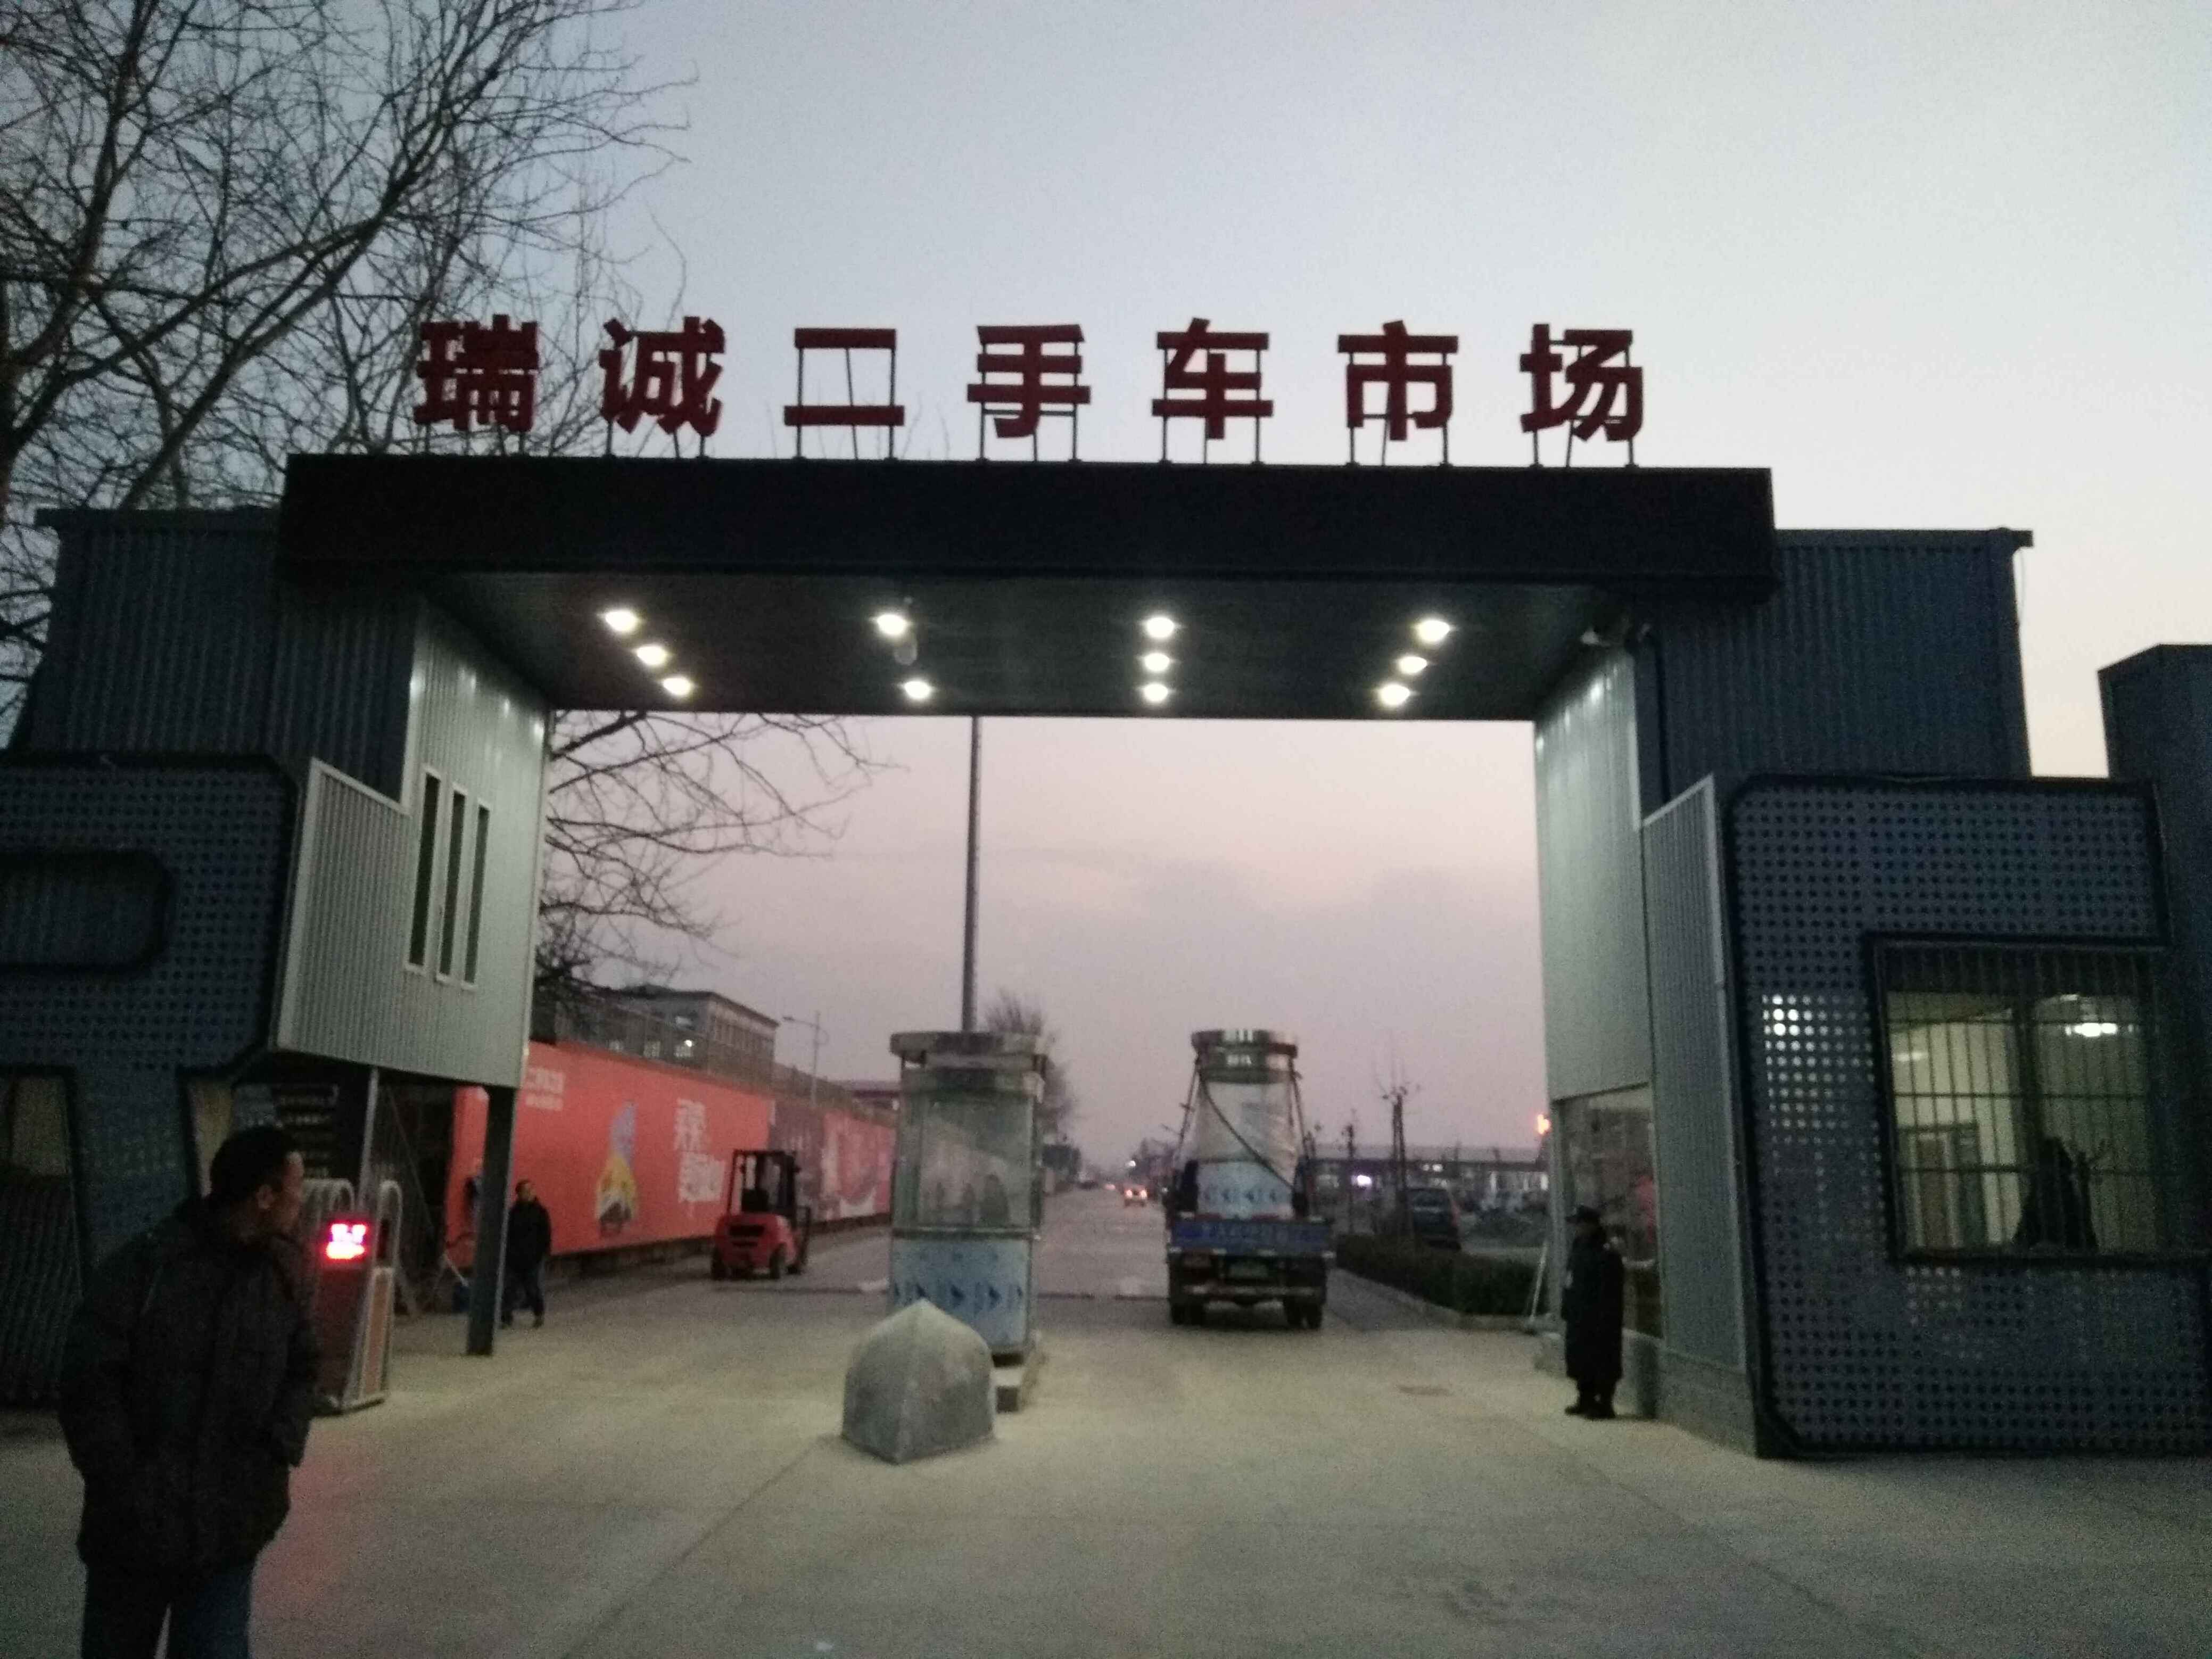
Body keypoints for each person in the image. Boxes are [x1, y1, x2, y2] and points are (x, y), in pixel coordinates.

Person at [59, 1123, 316, 1658]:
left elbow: (302, 1366)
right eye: (296, 1191)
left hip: (229, 1529)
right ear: (264, 1196)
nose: (301, 1203)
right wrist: (122, 1481)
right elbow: (89, 1380)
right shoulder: (148, 1268)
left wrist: (277, 1448)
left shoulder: (281, 1275)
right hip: (135, 1533)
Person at [1560, 1202, 1625, 1420]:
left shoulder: (1606, 1250)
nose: (1576, 1228)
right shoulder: (1579, 1245)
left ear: (1591, 1225)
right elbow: (1571, 1275)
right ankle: (1585, 1398)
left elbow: (1610, 1289)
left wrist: (1605, 1316)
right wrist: (1567, 1304)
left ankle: (1605, 1404)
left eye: (1579, 1224)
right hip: (1579, 1314)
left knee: (1602, 1360)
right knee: (1580, 1357)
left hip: (1599, 1317)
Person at [502, 1178, 553, 1328]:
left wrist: (544, 1254)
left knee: (533, 1288)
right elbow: (508, 1235)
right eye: (526, 1191)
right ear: (519, 1194)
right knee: (509, 1289)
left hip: (534, 1258)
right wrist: (508, 1254)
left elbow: (546, 1235)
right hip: (514, 1258)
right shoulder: (513, 1213)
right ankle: (506, 1318)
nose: (529, 1193)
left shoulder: (541, 1212)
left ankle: (539, 1314)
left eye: (531, 1190)